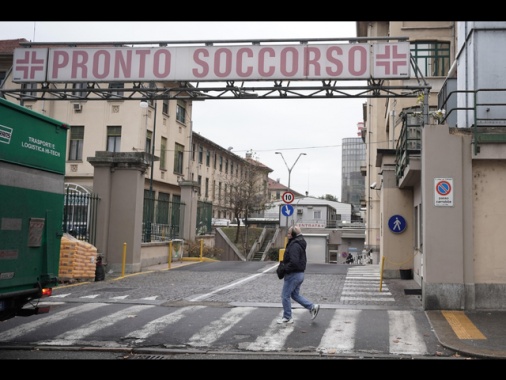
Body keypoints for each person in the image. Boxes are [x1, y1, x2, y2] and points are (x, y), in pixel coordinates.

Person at [277, 225, 320, 324]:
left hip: (293, 274)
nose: (287, 235)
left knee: (285, 296)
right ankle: (312, 307)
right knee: (295, 295)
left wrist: (284, 269)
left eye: (288, 233)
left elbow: (294, 262)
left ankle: (287, 317)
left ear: (293, 234)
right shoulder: (298, 243)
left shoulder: (294, 245)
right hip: (299, 274)